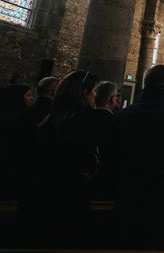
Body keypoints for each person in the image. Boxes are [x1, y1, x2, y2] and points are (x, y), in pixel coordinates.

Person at [113, 65, 164, 248]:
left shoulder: (124, 115)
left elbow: (113, 155)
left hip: (130, 193)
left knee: (130, 241)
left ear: (145, 84)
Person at [23, 70, 100, 246]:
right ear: (84, 92)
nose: (96, 95)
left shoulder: (48, 123)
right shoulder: (85, 123)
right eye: (94, 90)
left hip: (39, 202)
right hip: (69, 202)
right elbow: (86, 167)